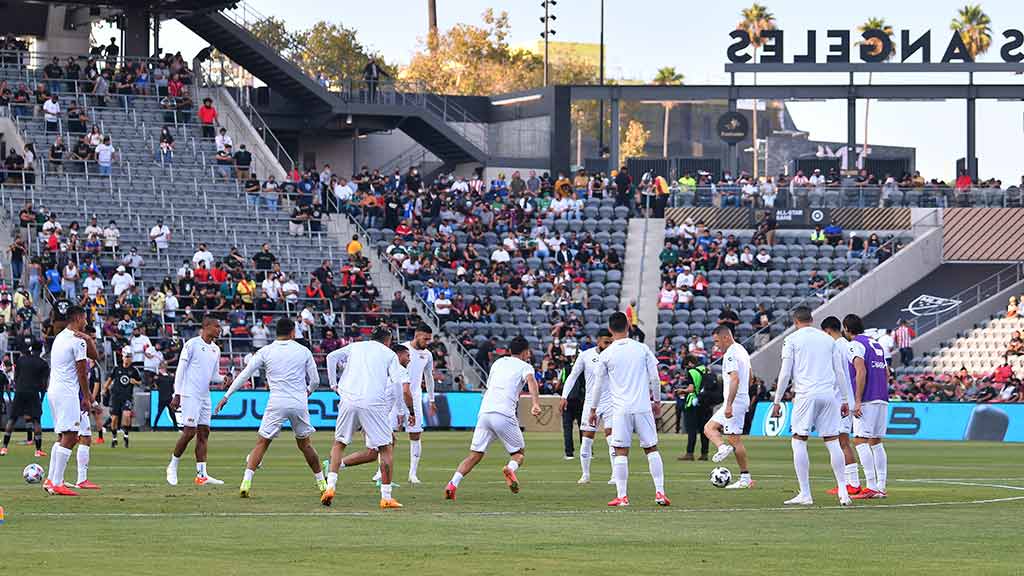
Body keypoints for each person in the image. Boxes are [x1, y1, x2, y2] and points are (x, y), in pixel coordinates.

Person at [216, 318, 326, 499]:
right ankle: (322, 482)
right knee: (305, 445)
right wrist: (307, 392)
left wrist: (227, 396)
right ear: (292, 333)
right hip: (298, 402)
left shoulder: (265, 351)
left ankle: (246, 482)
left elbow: (245, 374)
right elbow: (315, 381)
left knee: (262, 443)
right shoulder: (303, 351)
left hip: (277, 401)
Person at [770, 307, 852, 506]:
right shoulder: (827, 339)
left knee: (799, 440)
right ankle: (844, 491)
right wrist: (844, 399)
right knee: (832, 441)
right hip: (828, 395)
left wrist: (777, 400)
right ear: (812, 319)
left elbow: (785, 373)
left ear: (795, 321)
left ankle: (805, 493)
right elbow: (840, 371)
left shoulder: (792, 340)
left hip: (806, 395)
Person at [588, 312, 670, 507]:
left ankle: (622, 496)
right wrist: (657, 401)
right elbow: (655, 379)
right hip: (642, 407)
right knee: (651, 448)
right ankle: (660, 493)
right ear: (628, 327)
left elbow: (598, 386)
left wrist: (592, 409)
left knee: (620, 451)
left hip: (621, 410)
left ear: (610, 330)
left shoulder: (606, 353)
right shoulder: (642, 349)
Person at [445, 336, 541, 500]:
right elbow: (531, 382)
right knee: (518, 454)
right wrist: (535, 403)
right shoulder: (526, 366)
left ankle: (452, 484)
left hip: (485, 412)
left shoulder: (498, 363)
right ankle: (510, 469)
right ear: (526, 352)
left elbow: (490, 385)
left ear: (510, 351)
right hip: (503, 413)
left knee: (474, 455)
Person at [322, 326, 407, 509]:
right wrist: (400, 409)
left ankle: (330, 487)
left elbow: (330, 357)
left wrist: (333, 384)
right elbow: (397, 382)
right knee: (385, 447)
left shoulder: (355, 346)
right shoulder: (389, 354)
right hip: (373, 401)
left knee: (339, 443)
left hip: (348, 398)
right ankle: (386, 496)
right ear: (388, 341)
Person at [43, 306, 100, 495]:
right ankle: (57, 483)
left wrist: (89, 338)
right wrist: (87, 397)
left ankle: (51, 479)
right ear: (78, 317)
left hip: (54, 391)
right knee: (71, 436)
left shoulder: (60, 337)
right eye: (85, 318)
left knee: (63, 436)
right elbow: (82, 372)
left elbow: (95, 357)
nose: (86, 321)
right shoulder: (77, 341)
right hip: (67, 393)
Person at [166, 317, 225, 486]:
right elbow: (180, 369)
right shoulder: (192, 344)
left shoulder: (215, 349)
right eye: (217, 326)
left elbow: (214, 376)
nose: (219, 330)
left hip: (205, 395)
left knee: (204, 432)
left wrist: (223, 379)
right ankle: (173, 465)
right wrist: (177, 393)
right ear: (206, 327)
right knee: (189, 432)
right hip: (189, 394)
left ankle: (202, 475)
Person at [701, 326, 755, 490]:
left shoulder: (731, 353)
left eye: (717, 341)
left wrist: (730, 404)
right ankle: (722, 447)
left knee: (734, 439)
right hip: (738, 399)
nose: (716, 345)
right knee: (709, 428)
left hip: (735, 402)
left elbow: (735, 379)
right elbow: (751, 375)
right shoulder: (741, 350)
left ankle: (745, 478)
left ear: (725, 338)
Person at [844, 313, 890, 500]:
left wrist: (857, 400)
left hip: (867, 398)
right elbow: (886, 373)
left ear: (847, 329)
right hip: (882, 397)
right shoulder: (876, 343)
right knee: (876, 442)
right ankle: (880, 487)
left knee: (860, 440)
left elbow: (860, 371)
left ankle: (870, 486)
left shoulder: (855, 345)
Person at [560, 329, 614, 485]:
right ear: (598, 341)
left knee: (612, 439)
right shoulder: (585, 355)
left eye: (611, 342)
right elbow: (573, 375)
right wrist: (564, 396)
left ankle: (615, 476)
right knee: (587, 439)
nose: (609, 345)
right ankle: (585, 474)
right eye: (606, 342)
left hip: (610, 401)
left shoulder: (614, 355)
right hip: (591, 402)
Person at [821, 316, 863, 496]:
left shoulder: (835, 346)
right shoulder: (848, 345)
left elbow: (835, 374)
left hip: (840, 400)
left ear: (828, 331)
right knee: (842, 441)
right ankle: (849, 482)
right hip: (847, 398)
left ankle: (851, 483)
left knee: (842, 442)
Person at [401, 324, 436, 484]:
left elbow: (429, 377)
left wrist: (431, 399)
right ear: (417, 335)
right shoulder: (402, 349)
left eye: (429, 339)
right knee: (386, 435)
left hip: (415, 398)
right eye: (425, 338)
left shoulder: (427, 355)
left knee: (415, 434)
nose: (427, 342)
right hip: (395, 397)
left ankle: (412, 474)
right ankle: (380, 471)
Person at [1, 341, 48, 457]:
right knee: (36, 420)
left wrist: (19, 388)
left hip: (20, 391)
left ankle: (4, 448)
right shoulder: (43, 363)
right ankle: (38, 450)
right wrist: (41, 397)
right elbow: (44, 383)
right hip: (33, 392)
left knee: (12, 419)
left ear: (31, 349)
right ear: (41, 350)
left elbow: (16, 377)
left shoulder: (21, 360)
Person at [676, 355, 717, 462]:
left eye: (686, 366)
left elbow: (691, 388)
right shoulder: (706, 369)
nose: (686, 368)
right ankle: (704, 454)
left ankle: (690, 453)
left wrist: (681, 391)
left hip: (694, 403)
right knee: (704, 430)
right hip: (706, 403)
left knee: (692, 430)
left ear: (689, 363)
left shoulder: (691, 371)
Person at [104, 352, 141, 448]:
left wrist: (135, 382)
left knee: (127, 415)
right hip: (115, 397)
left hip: (127, 397)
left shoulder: (134, 370)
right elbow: (109, 380)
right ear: (123, 357)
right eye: (126, 357)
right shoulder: (117, 368)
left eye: (129, 357)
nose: (127, 359)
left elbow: (140, 382)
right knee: (114, 419)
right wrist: (105, 389)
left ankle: (126, 436)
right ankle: (114, 438)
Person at [153, 361, 178, 430]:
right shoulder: (159, 376)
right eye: (163, 365)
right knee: (159, 413)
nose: (164, 367)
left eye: (165, 365)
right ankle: (154, 427)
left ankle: (176, 428)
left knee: (172, 413)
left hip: (169, 397)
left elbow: (172, 384)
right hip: (162, 398)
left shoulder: (168, 376)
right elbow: (155, 384)